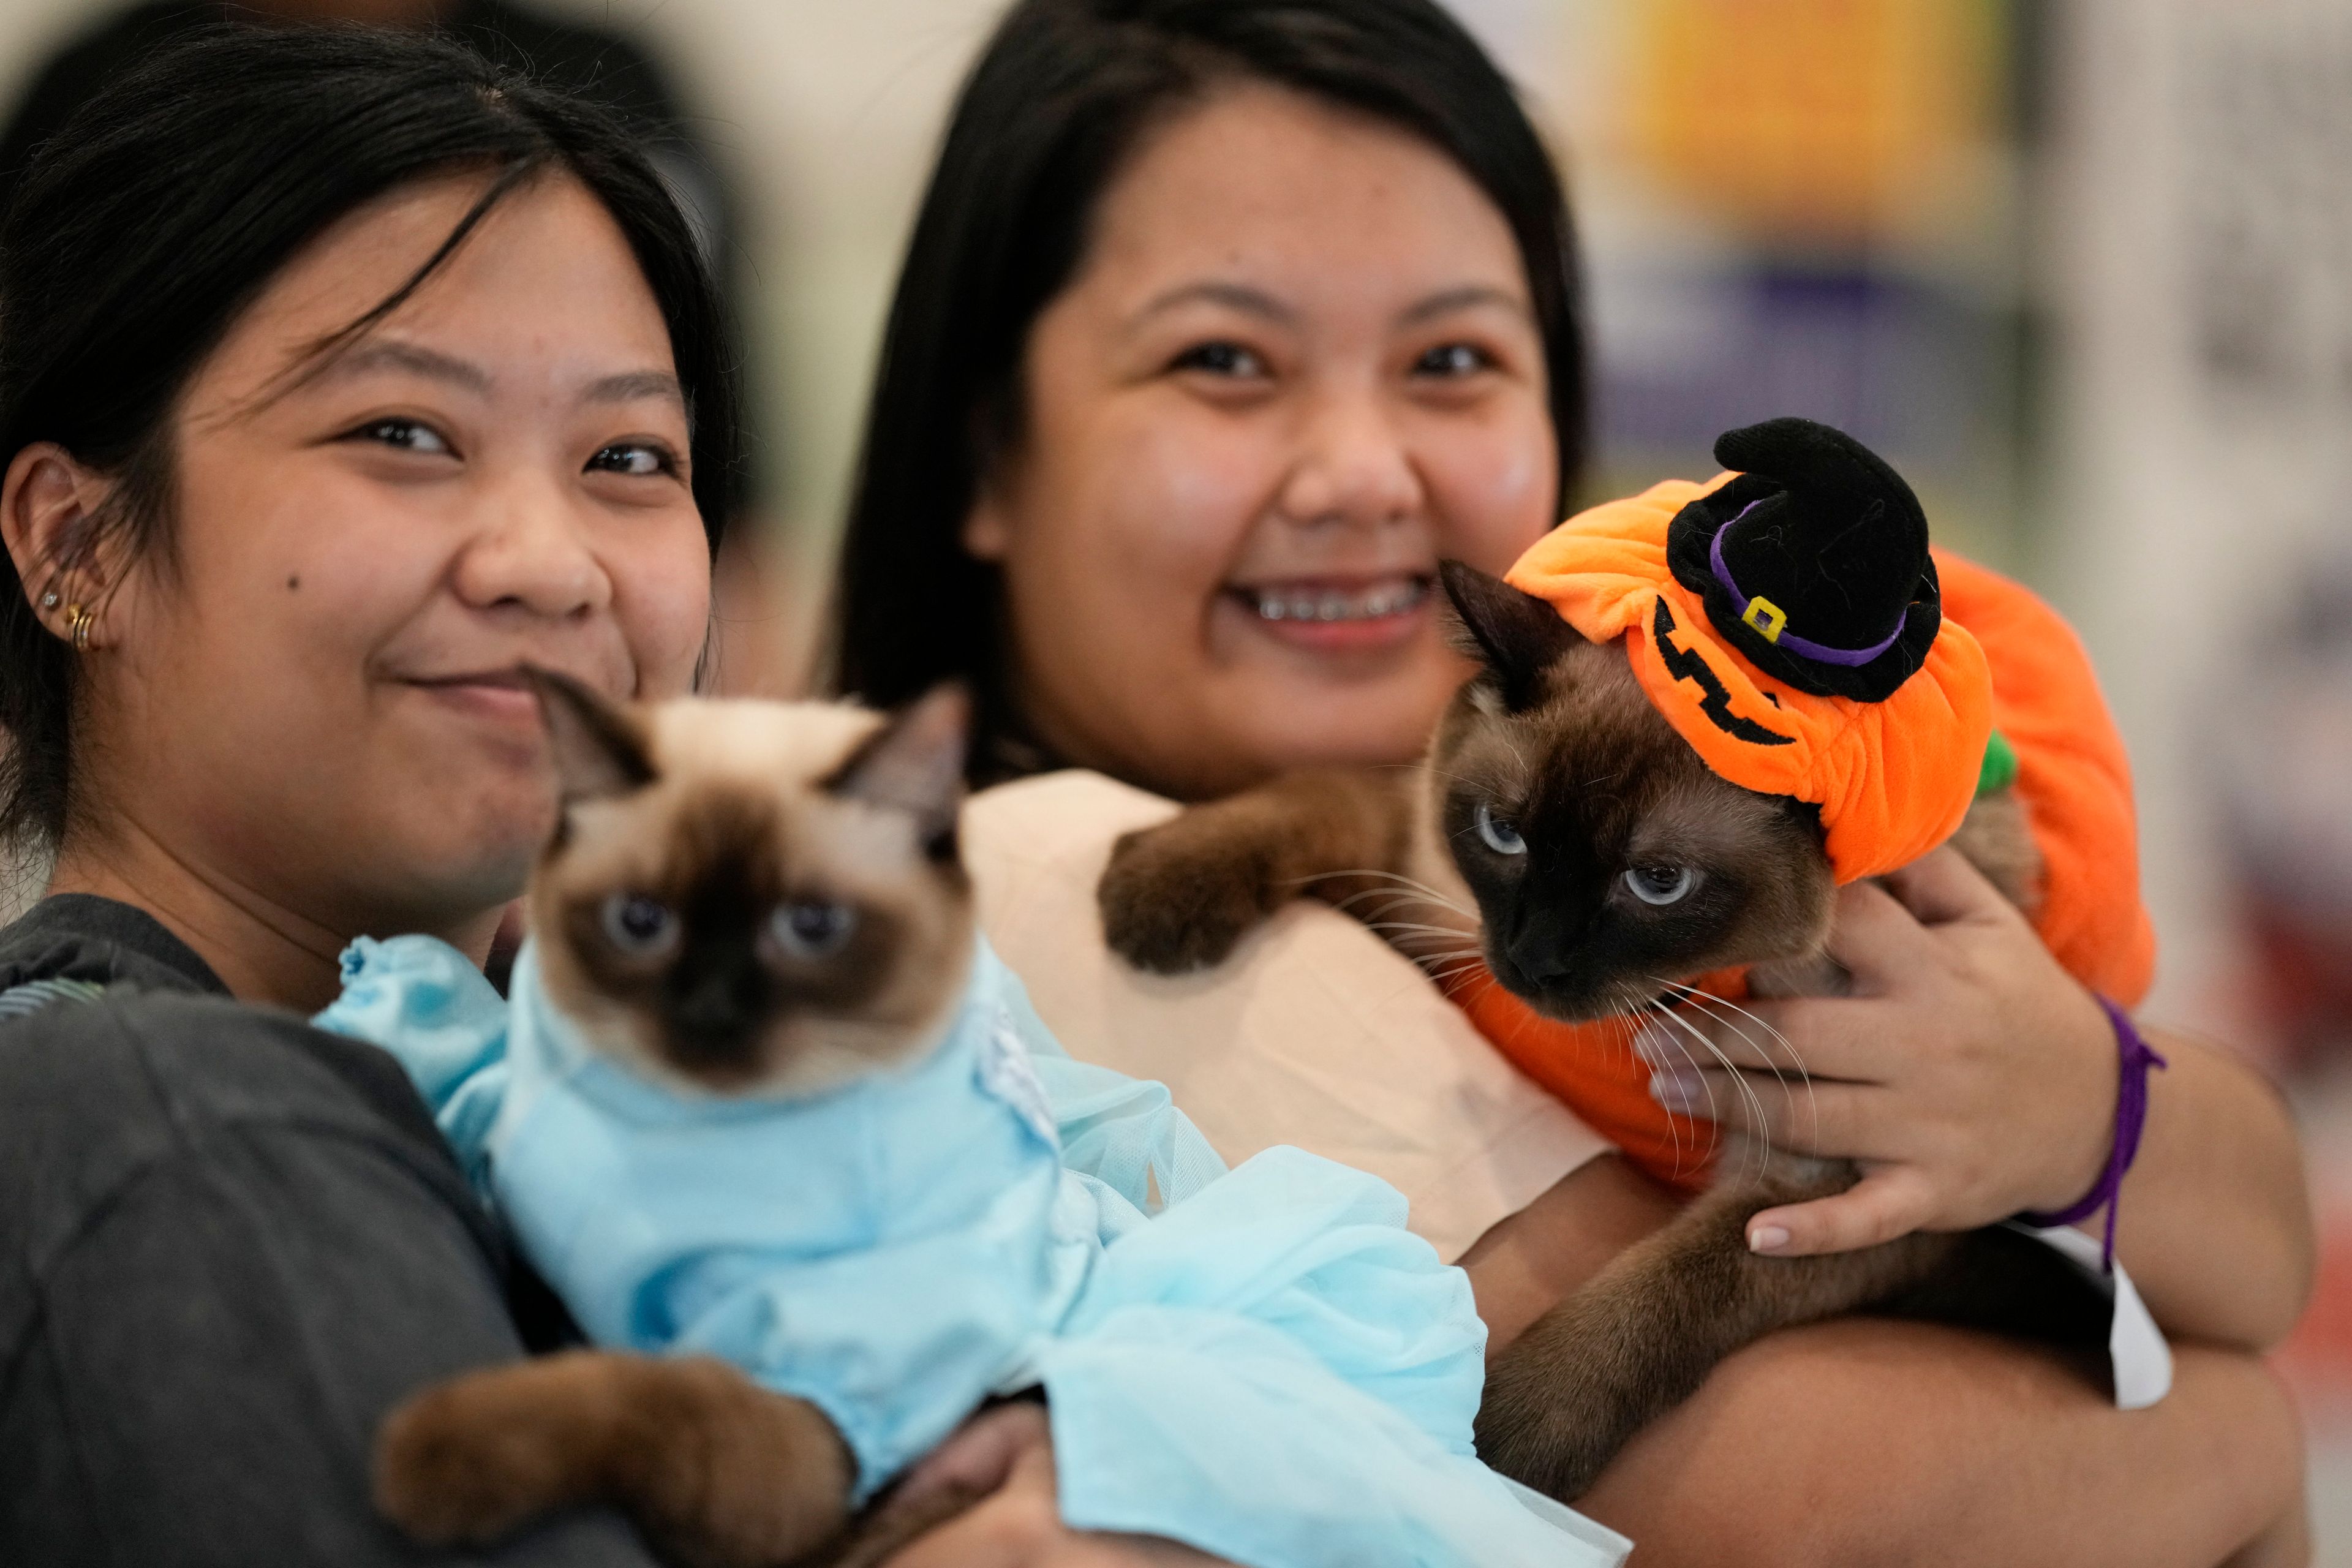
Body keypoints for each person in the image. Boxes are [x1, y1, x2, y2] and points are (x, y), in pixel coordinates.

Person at [828, 1, 2315, 1562]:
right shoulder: (1030, 886)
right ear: (986, 449)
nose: (1361, 470)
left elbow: (2259, 1225)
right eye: (1224, 360)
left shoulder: (1531, 789)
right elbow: (1797, 1500)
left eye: (1454, 357)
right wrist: (2237, 1426)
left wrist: (2085, 1101)